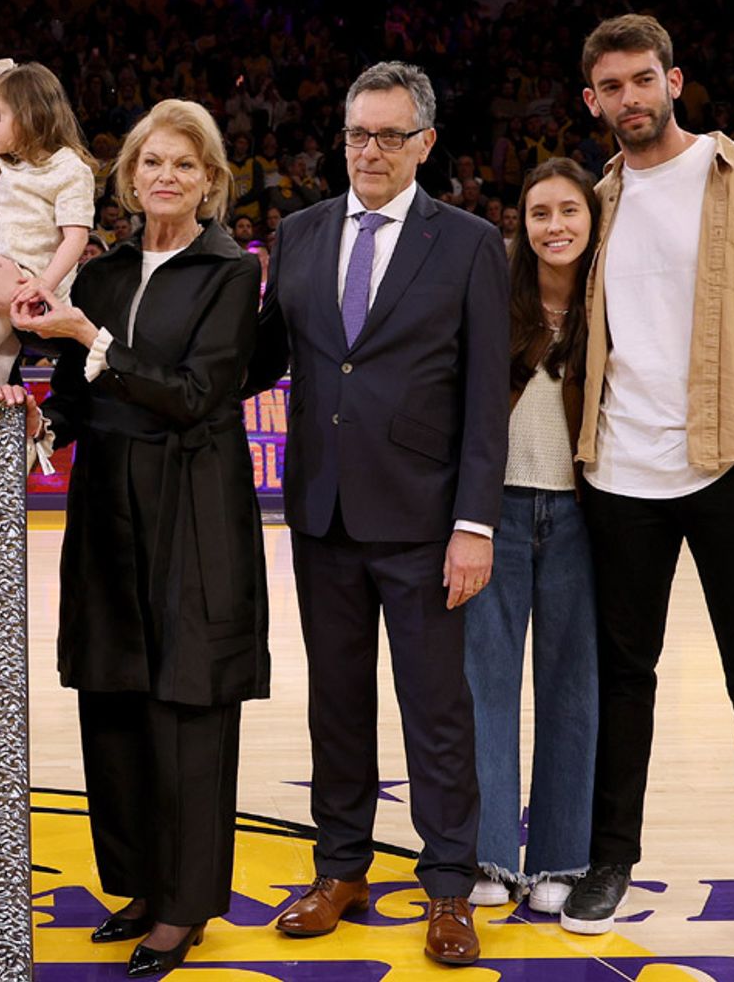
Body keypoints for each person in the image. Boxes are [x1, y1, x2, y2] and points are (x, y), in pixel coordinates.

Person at [559, 15, 734, 962]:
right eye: (611, 87)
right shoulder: (596, 197)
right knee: (623, 679)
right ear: (592, 100)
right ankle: (608, 862)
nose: (630, 99)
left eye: (644, 80)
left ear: (675, 80)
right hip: (620, 478)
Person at [4, 99, 268, 979]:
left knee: (187, 702)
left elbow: (198, 392)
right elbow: (77, 402)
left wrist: (90, 341)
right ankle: (142, 885)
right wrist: (38, 420)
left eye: (185, 165)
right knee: (113, 694)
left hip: (191, 502)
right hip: (108, 503)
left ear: (211, 180)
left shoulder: (231, 271)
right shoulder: (109, 271)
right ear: (128, 177)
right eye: (152, 161)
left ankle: (184, 907)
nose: (165, 176)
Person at [252, 61, 509, 967]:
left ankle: (447, 887)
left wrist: (476, 522)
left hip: (427, 521)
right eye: (358, 133)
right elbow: (261, 358)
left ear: (425, 144)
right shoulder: (303, 231)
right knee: (337, 706)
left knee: (438, 710)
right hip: (321, 514)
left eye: (389, 136)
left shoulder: (473, 243)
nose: (370, 150)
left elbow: (486, 399)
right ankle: (341, 867)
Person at [461, 158, 601, 915]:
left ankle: (561, 859)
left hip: (585, 516)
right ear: (522, 222)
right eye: (541, 212)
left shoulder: (613, 303)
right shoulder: (492, 300)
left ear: (592, 219)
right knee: (486, 685)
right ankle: (488, 853)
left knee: (572, 689)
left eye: (569, 212)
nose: (556, 226)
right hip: (499, 512)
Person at [0, 59, 93, 395]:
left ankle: (10, 433)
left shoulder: (70, 168)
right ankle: (9, 443)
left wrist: (41, 285)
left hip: (24, 282)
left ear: (31, 113)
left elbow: (76, 237)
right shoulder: (9, 167)